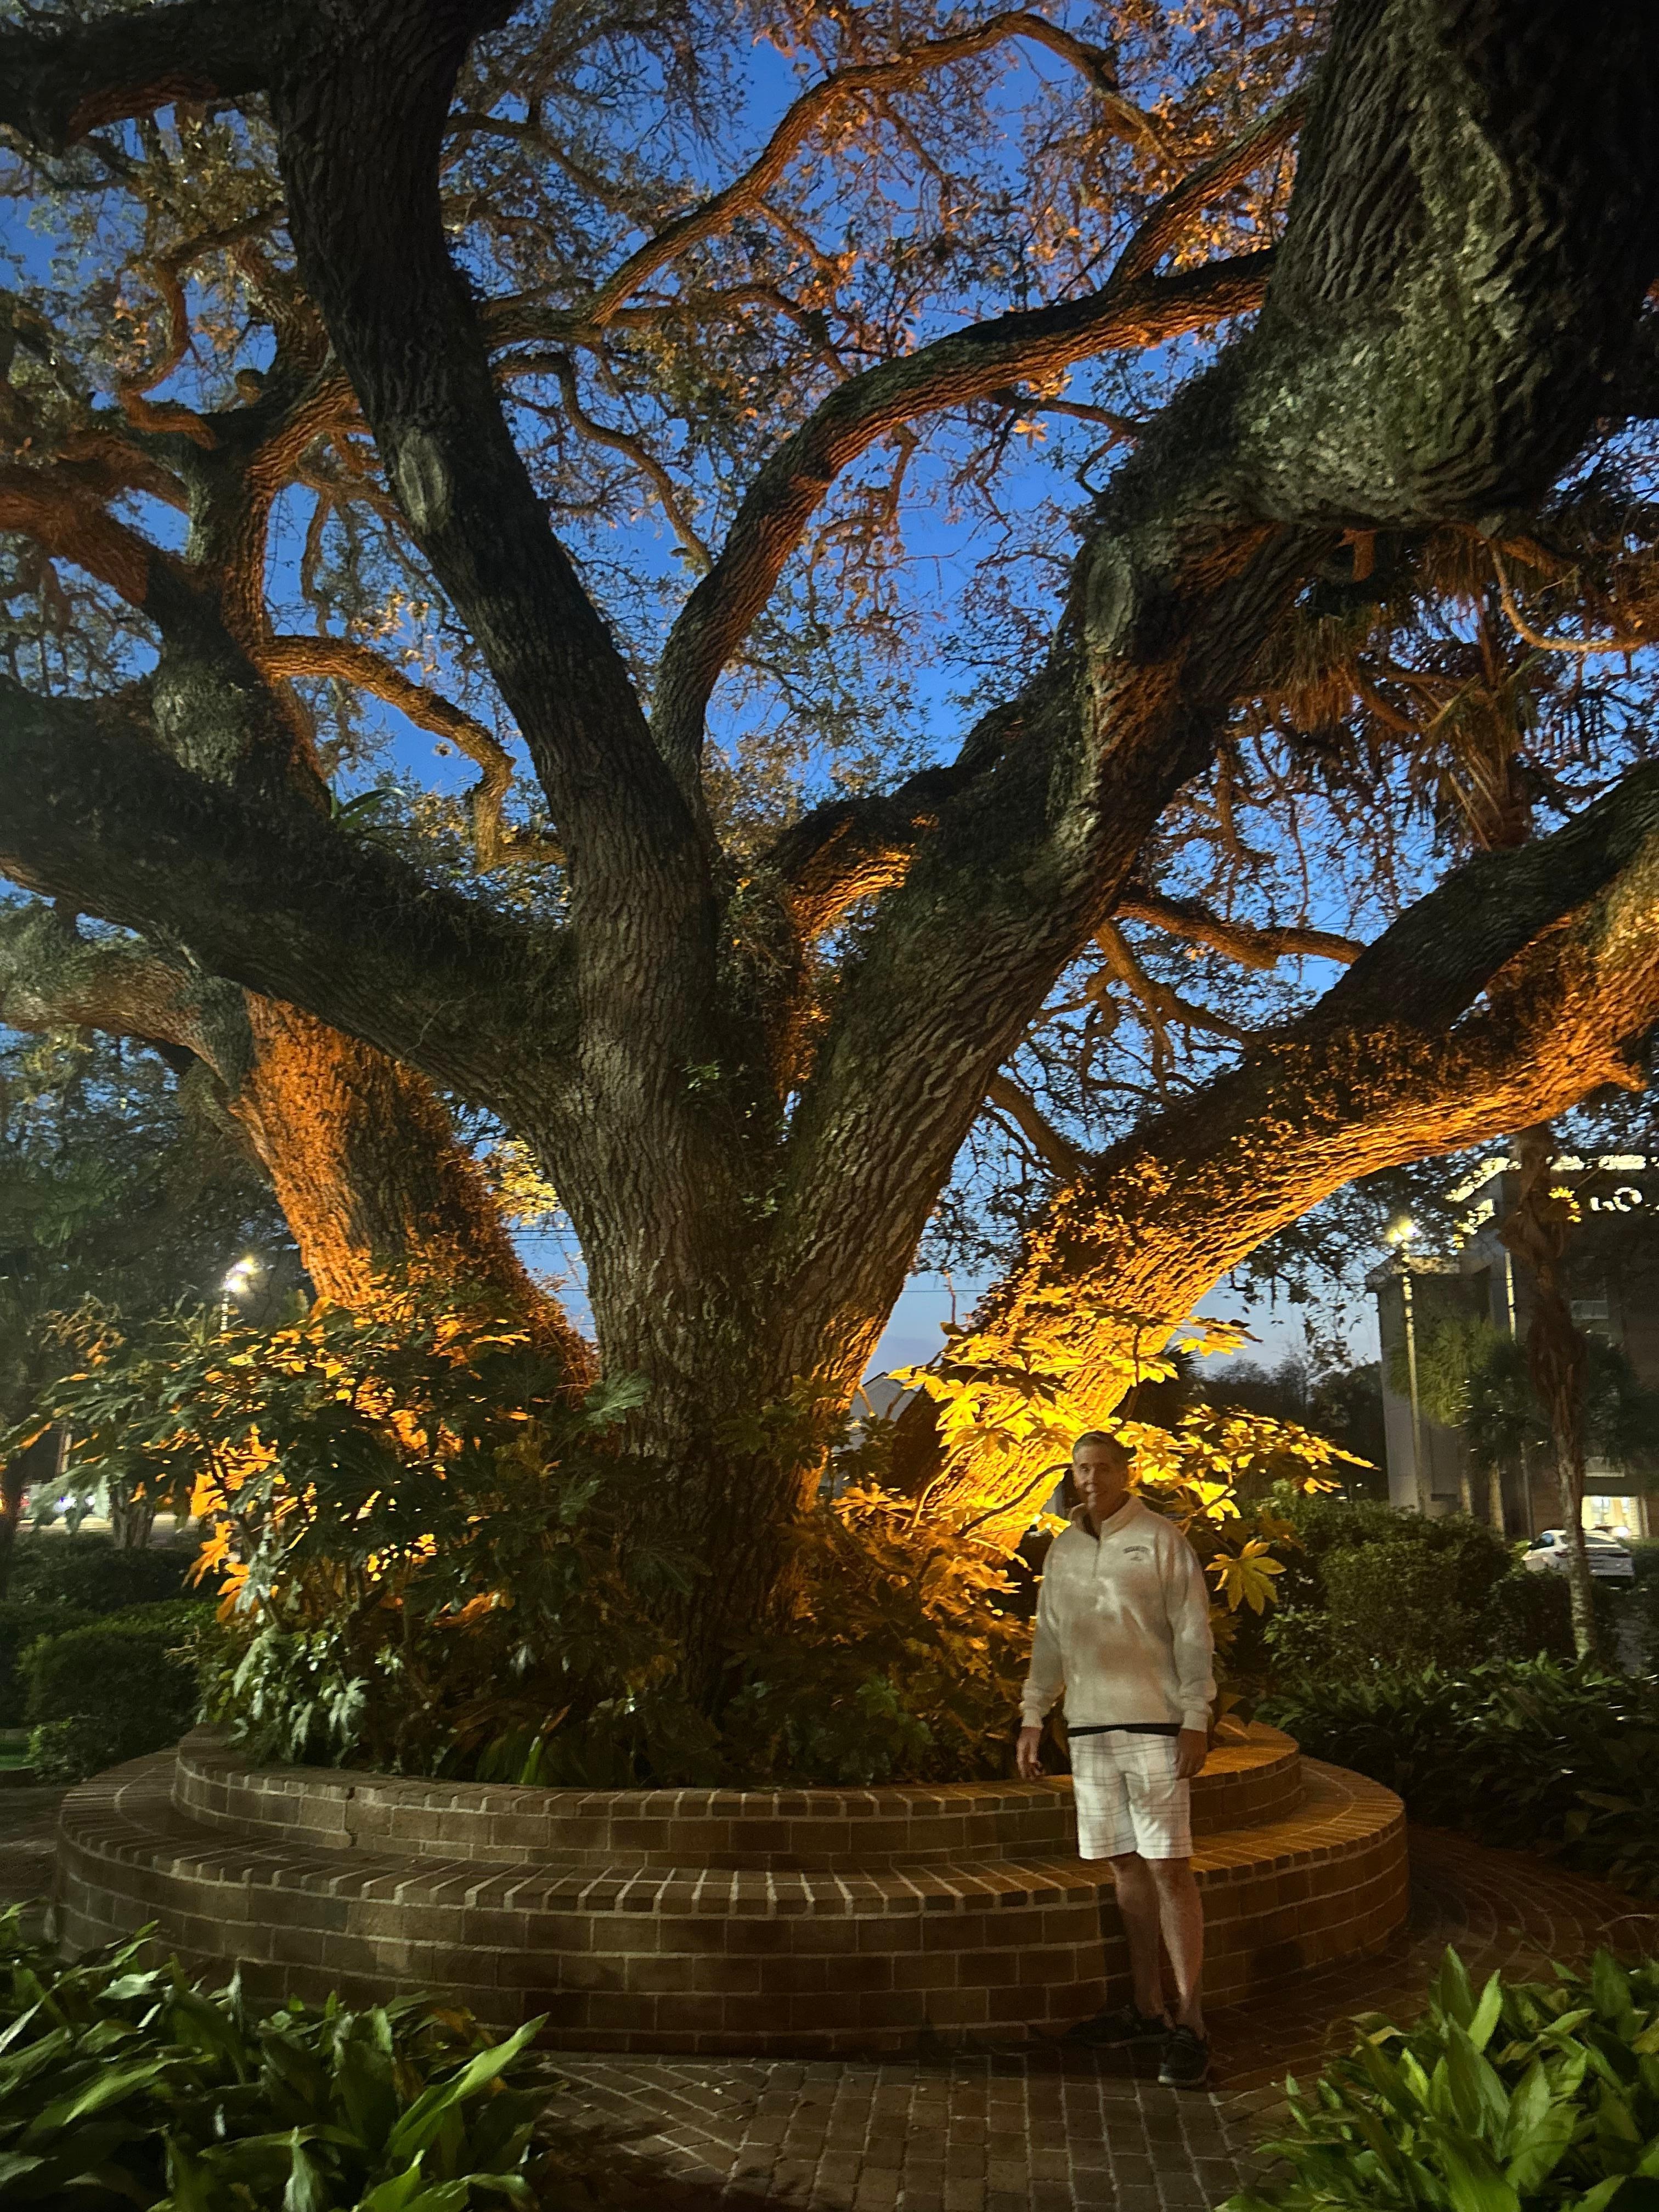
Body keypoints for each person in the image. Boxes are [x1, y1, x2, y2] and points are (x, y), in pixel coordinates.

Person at [1016, 1429, 1215, 2087]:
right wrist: (1034, 1714)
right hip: (1090, 1730)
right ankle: (1147, 2007)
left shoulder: (1160, 1539)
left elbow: (1193, 1632)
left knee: (1169, 1870)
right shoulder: (1064, 1550)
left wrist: (1195, 1719)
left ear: (1125, 1473)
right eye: (1082, 1468)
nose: (1091, 1478)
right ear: (1072, 1476)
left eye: (1103, 1467)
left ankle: (1191, 2023)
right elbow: (1049, 1638)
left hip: (1156, 1726)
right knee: (1125, 1866)